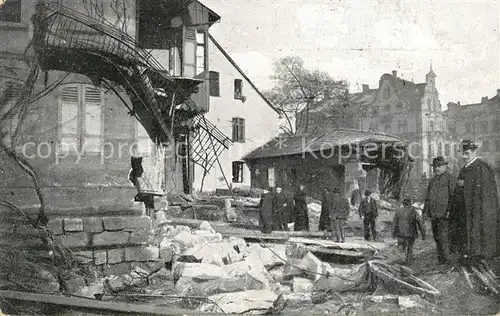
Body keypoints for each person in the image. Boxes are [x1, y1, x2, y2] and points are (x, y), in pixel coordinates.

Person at [449, 140, 500, 260]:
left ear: (474, 152)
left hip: (478, 209)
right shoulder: (464, 169)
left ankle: (480, 256)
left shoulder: (482, 167)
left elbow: (487, 194)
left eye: (466, 153)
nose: (463, 156)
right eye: (462, 153)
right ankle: (469, 255)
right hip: (465, 209)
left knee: (478, 232)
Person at [423, 156, 455, 265]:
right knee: (436, 237)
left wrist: (450, 211)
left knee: (444, 238)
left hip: (444, 215)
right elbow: (427, 198)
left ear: (445, 166)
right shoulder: (432, 180)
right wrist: (425, 213)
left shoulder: (450, 178)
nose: (436, 168)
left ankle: (448, 261)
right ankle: (441, 260)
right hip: (434, 214)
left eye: (439, 166)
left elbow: (453, 197)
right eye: (435, 167)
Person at [392, 198, 426, 265]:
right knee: (410, 247)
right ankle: (408, 261)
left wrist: (393, 233)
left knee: (401, 246)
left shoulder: (398, 211)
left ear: (403, 203)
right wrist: (423, 234)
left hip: (400, 233)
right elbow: (420, 223)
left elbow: (394, 223)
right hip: (411, 233)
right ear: (410, 203)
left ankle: (400, 261)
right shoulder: (413, 211)